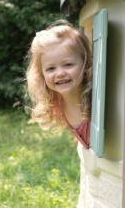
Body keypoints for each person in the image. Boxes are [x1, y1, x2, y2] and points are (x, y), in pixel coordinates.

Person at [26, 20, 92, 148]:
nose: (60, 73)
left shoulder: (93, 102)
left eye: (68, 65)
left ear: (85, 64)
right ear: (42, 75)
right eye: (51, 69)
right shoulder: (58, 103)